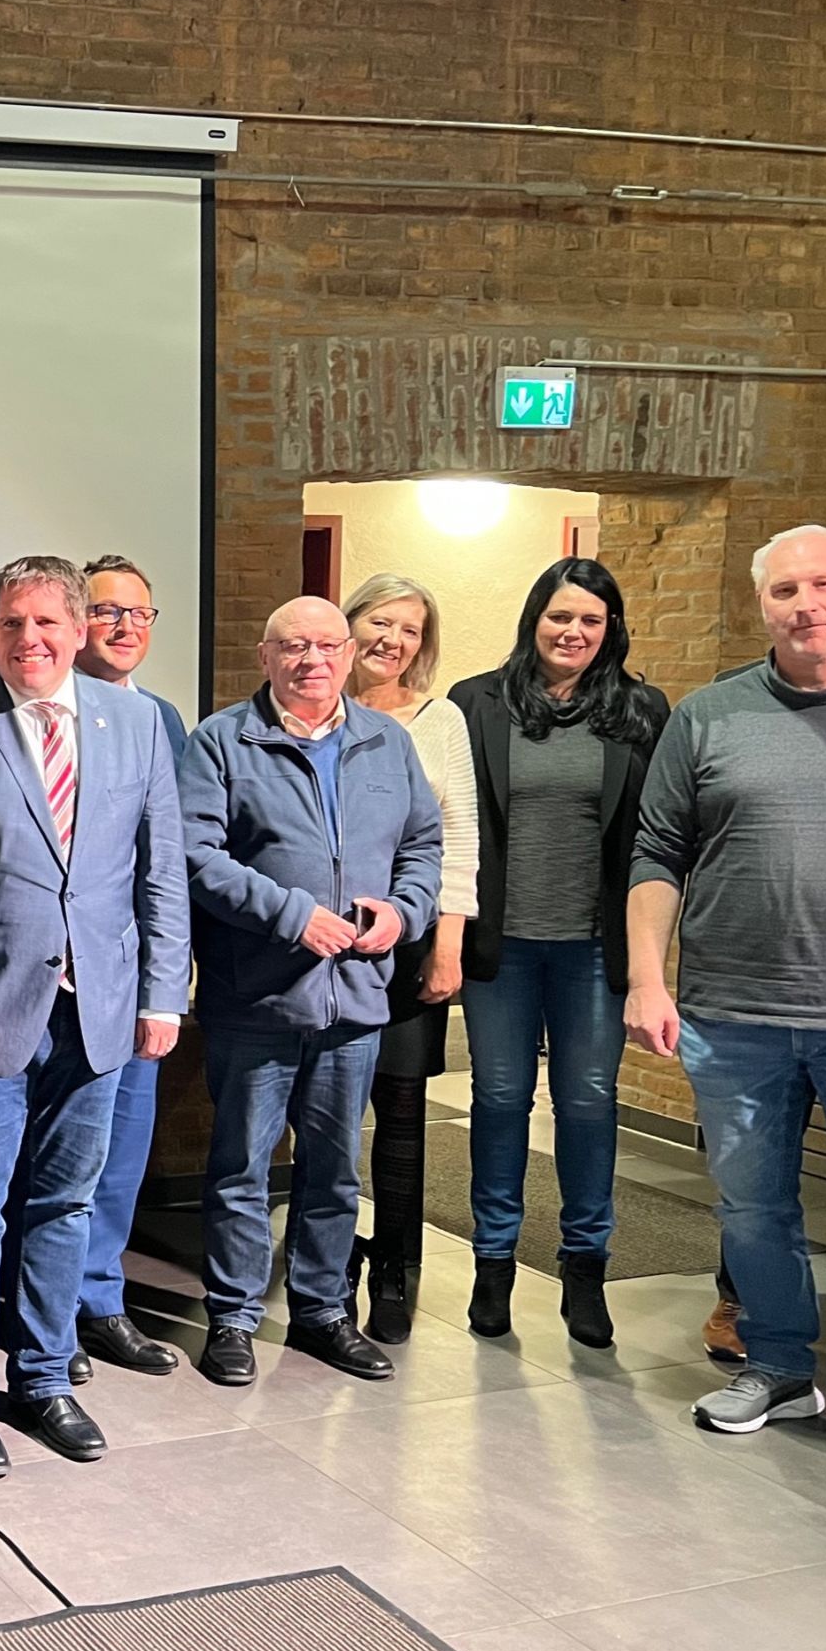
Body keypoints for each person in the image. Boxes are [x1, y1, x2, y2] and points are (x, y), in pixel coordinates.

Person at [0, 556, 189, 1474]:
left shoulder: (135, 721)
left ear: (79, 627)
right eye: (12, 624)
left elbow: (160, 870)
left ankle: (45, 1378)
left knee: (65, 1201)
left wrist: (160, 992)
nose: (31, 641)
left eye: (48, 624)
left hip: (98, 1010)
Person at [627, 523, 826, 1434]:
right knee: (753, 1204)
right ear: (761, 605)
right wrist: (650, 982)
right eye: (784, 591)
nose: (805, 605)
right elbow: (656, 854)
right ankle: (777, 1366)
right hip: (733, 1015)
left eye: (822, 586)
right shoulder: (709, 714)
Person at [181, 596, 441, 1392]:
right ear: (265, 655)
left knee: (334, 1170)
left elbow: (424, 845)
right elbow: (195, 855)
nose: (312, 660)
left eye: (328, 644)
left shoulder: (386, 742)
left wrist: (404, 912)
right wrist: (294, 917)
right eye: (292, 645)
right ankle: (231, 1316)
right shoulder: (221, 741)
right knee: (242, 1167)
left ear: (348, 654)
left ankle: (324, 1312)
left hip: (355, 1000)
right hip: (256, 999)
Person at [448, 559, 668, 1347]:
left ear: (610, 630)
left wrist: (649, 960)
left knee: (586, 1104)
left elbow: (654, 835)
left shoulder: (641, 709)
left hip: (591, 948)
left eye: (590, 621)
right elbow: (453, 825)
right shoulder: (475, 702)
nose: (572, 632)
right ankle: (494, 1264)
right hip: (500, 945)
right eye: (559, 616)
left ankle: (585, 1269)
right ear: (533, 616)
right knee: (500, 1102)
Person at [337, 574, 478, 1345]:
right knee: (318, 1113)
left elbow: (459, 834)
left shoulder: (441, 719)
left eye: (411, 630)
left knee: (398, 1113)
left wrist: (447, 944)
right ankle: (327, 1258)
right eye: (380, 621)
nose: (392, 640)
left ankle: (394, 1267)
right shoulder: (314, 703)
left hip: (411, 937)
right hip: (324, 938)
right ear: (349, 621)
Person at [67, 553, 192, 1381]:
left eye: (138, 613)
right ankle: (36, 1307)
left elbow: (169, 861)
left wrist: (171, 976)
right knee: (49, 1159)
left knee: (121, 1151)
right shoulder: (38, 712)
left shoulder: (163, 722)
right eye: (105, 610)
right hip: (51, 982)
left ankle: (99, 1301)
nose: (122, 626)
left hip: (132, 976)